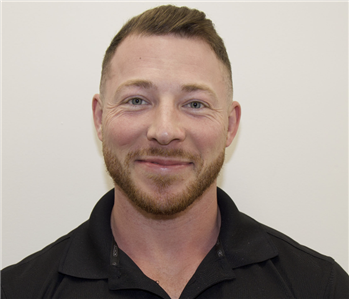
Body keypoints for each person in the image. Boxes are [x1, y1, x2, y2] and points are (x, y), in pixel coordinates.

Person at [0, 5, 348, 299]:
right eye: (137, 100)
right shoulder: (19, 290)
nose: (164, 131)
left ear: (230, 125)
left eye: (195, 103)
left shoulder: (320, 287)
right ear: (99, 117)